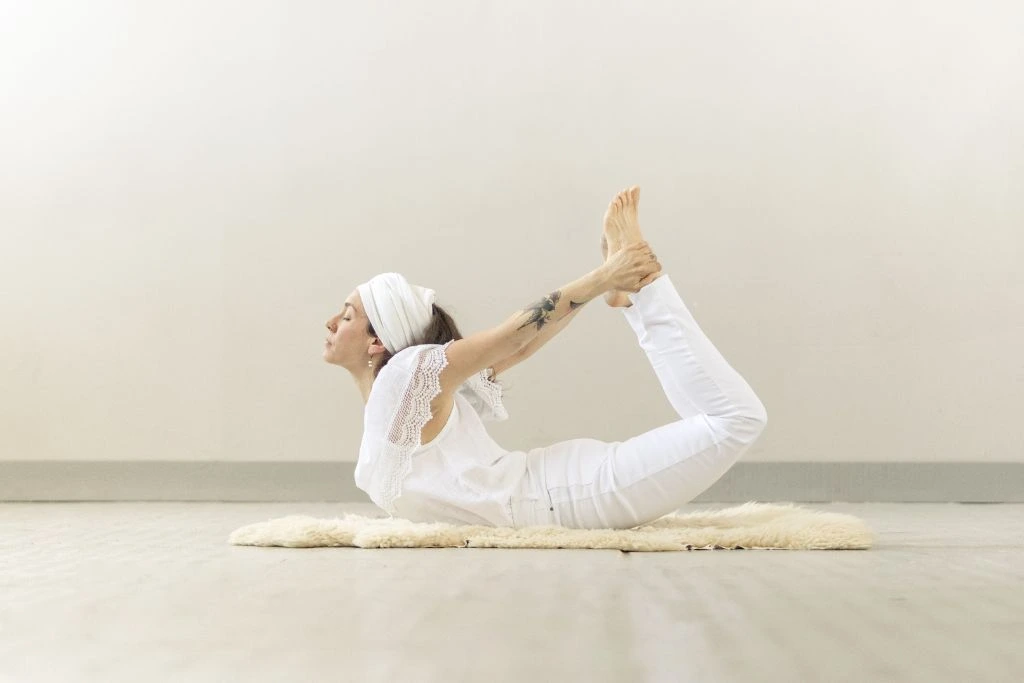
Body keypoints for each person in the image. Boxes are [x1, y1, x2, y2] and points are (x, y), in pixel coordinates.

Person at [323, 186, 767, 530]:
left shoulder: (408, 374)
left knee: (737, 419)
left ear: (376, 341)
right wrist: (602, 285)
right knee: (730, 420)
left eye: (345, 316)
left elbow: (512, 336)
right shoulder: (407, 399)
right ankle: (634, 297)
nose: (330, 324)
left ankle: (644, 284)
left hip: (567, 493)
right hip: (557, 492)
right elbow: (524, 344)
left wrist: (601, 279)